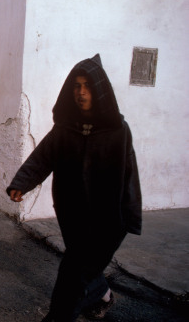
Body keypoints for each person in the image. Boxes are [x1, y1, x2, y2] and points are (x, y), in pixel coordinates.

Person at [7, 54, 142, 321]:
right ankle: (102, 295)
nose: (81, 92)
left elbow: (129, 175)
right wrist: (21, 183)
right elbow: (42, 157)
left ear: (100, 92)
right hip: (72, 214)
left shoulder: (118, 131)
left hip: (108, 218)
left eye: (87, 86)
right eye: (76, 86)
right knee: (83, 265)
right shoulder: (65, 129)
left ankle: (59, 315)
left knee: (73, 272)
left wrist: (130, 218)